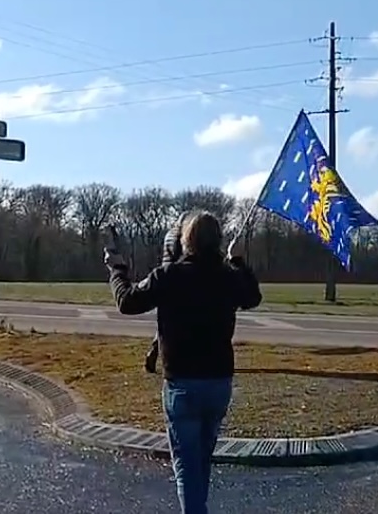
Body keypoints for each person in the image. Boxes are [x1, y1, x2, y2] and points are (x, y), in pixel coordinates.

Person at [105, 210, 262, 514]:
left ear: (184, 241)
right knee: (201, 459)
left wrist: (117, 269)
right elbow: (253, 296)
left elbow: (127, 301)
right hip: (219, 384)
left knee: (187, 465)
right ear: (217, 241)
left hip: (182, 385)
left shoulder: (170, 276)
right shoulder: (228, 276)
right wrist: (239, 262)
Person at [144, 210, 194, 374]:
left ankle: (154, 351)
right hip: (177, 281)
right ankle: (160, 353)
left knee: (165, 322)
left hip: (165, 281)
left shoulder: (169, 235)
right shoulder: (181, 237)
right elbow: (180, 257)